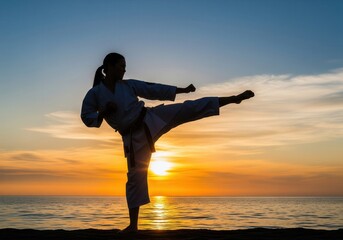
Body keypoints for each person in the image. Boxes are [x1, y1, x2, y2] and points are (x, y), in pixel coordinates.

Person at [81, 52, 254, 233]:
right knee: (135, 178)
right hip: (133, 138)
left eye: (125, 66)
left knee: (187, 108)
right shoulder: (95, 94)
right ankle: (133, 226)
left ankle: (233, 99)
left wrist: (182, 90)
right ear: (108, 67)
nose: (124, 69)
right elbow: (86, 116)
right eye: (121, 66)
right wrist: (103, 113)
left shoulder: (128, 85)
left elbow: (152, 89)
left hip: (150, 119)